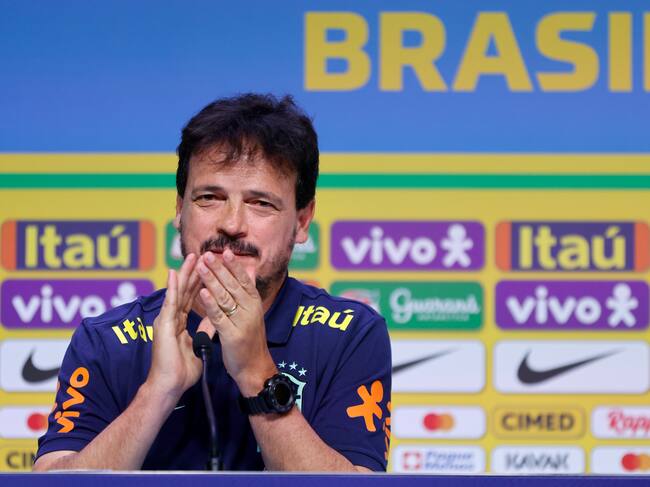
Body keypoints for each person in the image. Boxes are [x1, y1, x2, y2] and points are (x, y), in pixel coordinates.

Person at [34, 94, 392, 472]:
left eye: (261, 203)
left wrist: (257, 373)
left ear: (302, 221)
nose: (232, 224)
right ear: (179, 210)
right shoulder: (105, 341)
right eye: (210, 197)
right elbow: (49, 481)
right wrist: (157, 391)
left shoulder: (350, 335)